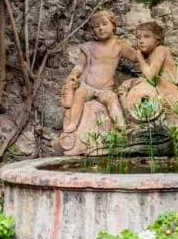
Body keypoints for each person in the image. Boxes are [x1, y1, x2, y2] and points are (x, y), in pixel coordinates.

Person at [58, 10, 136, 153]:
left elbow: (137, 58)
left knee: (112, 100)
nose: (100, 28)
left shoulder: (119, 46)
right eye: (96, 26)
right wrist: (74, 75)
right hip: (88, 86)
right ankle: (72, 125)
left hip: (106, 89)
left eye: (104, 24)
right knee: (79, 95)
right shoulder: (89, 47)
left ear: (113, 25)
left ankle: (122, 128)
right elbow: (80, 65)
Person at [120, 20, 178, 114]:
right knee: (127, 84)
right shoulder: (150, 55)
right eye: (139, 37)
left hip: (176, 95)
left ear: (157, 39)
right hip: (166, 94)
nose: (141, 40)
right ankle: (128, 112)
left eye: (147, 36)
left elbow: (150, 76)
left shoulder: (161, 50)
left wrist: (140, 58)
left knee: (140, 82)